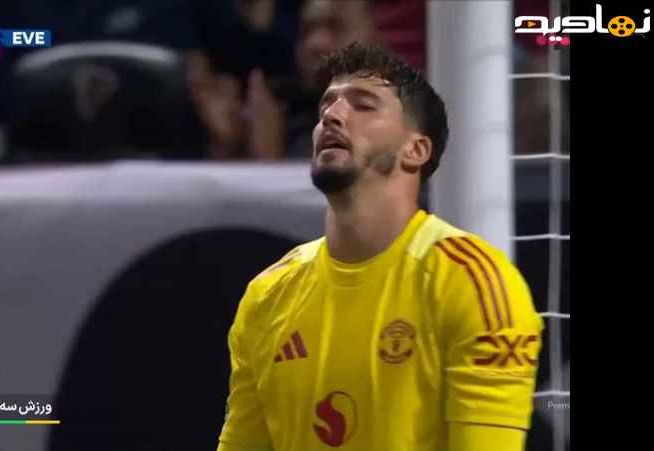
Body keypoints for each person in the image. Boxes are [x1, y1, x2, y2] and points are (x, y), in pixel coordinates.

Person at [217, 42, 543, 451]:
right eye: (326, 105)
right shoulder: (268, 295)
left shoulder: (473, 283)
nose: (332, 115)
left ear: (416, 149)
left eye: (364, 105)